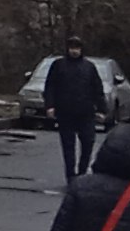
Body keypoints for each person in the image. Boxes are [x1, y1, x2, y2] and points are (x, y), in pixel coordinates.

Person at [42, 38, 107, 179]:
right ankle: (70, 175)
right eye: (72, 48)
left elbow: (97, 89)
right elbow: (50, 86)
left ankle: (82, 172)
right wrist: (50, 106)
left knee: (88, 143)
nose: (74, 51)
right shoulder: (58, 65)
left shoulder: (89, 67)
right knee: (68, 146)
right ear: (67, 49)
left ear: (81, 49)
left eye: (77, 48)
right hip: (65, 112)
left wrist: (101, 110)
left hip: (86, 112)